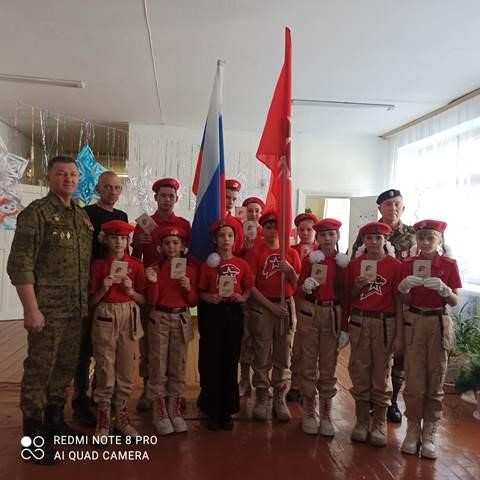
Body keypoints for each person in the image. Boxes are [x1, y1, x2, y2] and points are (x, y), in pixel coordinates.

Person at [7, 155, 92, 465]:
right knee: (39, 370)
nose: (68, 179)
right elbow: (20, 264)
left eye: (73, 174)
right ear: (48, 177)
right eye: (61, 174)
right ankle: (32, 437)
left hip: (75, 309)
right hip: (48, 309)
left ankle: (55, 422)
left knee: (64, 367)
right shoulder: (36, 214)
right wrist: (31, 309)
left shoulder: (80, 216)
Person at [397, 220, 461, 459]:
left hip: (437, 321)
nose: (424, 242)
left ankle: (429, 432)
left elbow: (454, 301)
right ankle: (413, 428)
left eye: (430, 238)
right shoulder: (408, 264)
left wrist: (445, 290)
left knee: (436, 378)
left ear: (440, 240)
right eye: (421, 238)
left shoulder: (448, 265)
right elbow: (403, 300)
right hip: (415, 320)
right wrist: (404, 289)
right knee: (414, 379)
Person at [352, 189, 416, 423]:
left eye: (397, 204)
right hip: (375, 300)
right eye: (388, 204)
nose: (393, 208)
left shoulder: (414, 234)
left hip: (405, 300)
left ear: (403, 207)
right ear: (380, 208)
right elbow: (355, 261)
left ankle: (391, 401)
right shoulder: (368, 233)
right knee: (371, 357)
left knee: (399, 355)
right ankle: (369, 400)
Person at [73, 171, 128, 427]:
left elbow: (125, 252)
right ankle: (79, 399)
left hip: (114, 291)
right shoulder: (86, 213)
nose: (112, 192)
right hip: (90, 284)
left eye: (117, 187)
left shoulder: (122, 216)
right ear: (98, 188)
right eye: (107, 187)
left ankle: (100, 396)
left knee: (108, 348)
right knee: (85, 347)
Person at [131, 177, 191, 411]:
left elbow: (189, 256)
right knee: (150, 345)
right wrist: (137, 243)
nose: (167, 200)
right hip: (151, 290)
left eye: (171, 196)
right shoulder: (145, 224)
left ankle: (174, 393)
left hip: (174, 291)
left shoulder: (184, 224)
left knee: (176, 348)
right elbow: (135, 259)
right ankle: (150, 388)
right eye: (163, 196)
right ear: (155, 198)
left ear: (176, 199)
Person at [345, 221, 403, 447]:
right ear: (364, 240)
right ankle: (361, 421)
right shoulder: (355, 265)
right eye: (369, 238)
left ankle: (379, 422)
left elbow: (399, 301)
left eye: (378, 238)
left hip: (385, 323)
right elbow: (349, 296)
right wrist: (357, 286)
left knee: (382, 373)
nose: (374, 242)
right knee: (359, 370)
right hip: (360, 321)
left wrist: (399, 334)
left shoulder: (395, 266)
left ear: (385, 240)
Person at [89, 220, 146, 440]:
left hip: (128, 313)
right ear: (106, 240)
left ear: (128, 241)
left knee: (125, 366)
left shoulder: (136, 266)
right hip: (105, 313)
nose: (119, 242)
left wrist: (131, 291)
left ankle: (121, 416)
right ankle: (103, 417)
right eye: (114, 237)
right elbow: (91, 302)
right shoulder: (98, 266)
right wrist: (103, 289)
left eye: (123, 238)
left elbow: (143, 299)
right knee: (105, 365)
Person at [197, 217, 254, 430]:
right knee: (211, 360)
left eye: (230, 235)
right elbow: (201, 291)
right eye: (221, 236)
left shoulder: (242, 264)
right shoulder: (208, 265)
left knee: (230, 360)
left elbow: (249, 288)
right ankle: (212, 409)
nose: (226, 239)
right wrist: (208, 297)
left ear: (235, 239)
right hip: (213, 313)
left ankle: (227, 410)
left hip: (233, 314)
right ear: (215, 239)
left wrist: (243, 297)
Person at [295, 218, 349, 436]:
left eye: (331, 234)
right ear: (317, 238)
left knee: (328, 364)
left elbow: (347, 298)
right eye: (323, 235)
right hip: (311, 313)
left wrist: (344, 327)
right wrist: (305, 287)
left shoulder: (343, 264)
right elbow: (298, 290)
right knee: (308, 362)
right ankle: (309, 411)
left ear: (337, 237)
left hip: (333, 314)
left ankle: (326, 414)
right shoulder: (310, 261)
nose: (327, 239)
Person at [246, 211, 301, 422]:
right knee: (261, 352)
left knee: (283, 352)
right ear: (263, 229)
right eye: (268, 227)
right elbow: (251, 286)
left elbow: (298, 285)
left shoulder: (291, 253)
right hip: (264, 306)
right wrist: (270, 307)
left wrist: (290, 271)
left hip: (285, 306)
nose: (273, 231)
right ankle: (262, 396)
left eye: (276, 227)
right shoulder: (256, 252)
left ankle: (279, 397)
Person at [144, 226, 198, 435]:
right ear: (161, 247)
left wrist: (188, 287)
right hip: (160, 317)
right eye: (167, 243)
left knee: (178, 363)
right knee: (158, 363)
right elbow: (152, 300)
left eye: (176, 243)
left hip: (181, 317)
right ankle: (159, 411)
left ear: (182, 246)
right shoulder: (155, 269)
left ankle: (174, 407)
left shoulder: (189, 269)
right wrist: (153, 283)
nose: (171, 247)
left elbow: (192, 301)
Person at [288, 212, 319, 402]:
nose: (305, 233)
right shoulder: (291, 251)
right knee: (297, 344)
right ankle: (295, 383)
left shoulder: (322, 251)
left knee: (313, 346)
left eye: (309, 229)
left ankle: (310, 384)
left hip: (315, 304)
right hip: (296, 301)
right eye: (302, 229)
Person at [237, 196, 265, 396]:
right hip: (245, 294)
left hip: (264, 295)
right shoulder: (238, 233)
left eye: (257, 210)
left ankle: (262, 380)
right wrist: (243, 250)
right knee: (245, 337)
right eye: (250, 210)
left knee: (263, 339)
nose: (253, 214)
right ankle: (244, 379)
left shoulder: (268, 233)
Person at [225, 179, 244, 255]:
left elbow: (239, 249)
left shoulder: (237, 224)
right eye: (227, 197)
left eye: (234, 199)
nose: (231, 202)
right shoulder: (209, 218)